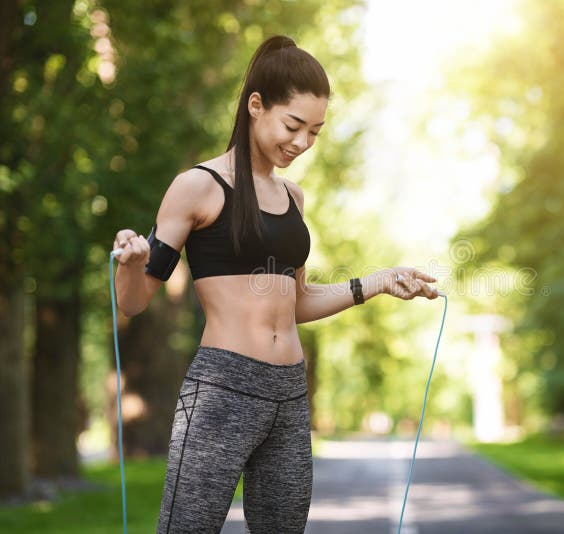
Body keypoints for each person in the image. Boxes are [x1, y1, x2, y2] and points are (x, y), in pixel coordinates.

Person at [111, 34, 438, 534]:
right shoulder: (198, 185)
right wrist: (131, 264)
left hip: (289, 390)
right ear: (256, 106)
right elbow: (133, 302)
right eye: (293, 125)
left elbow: (297, 303)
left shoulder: (293, 198)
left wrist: (376, 282)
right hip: (222, 389)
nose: (302, 143)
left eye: (315, 132)